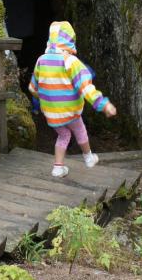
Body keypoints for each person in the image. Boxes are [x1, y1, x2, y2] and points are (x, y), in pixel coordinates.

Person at [29, 21, 117, 178]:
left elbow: (33, 88)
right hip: (70, 111)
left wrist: (46, 101)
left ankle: (58, 167)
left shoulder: (41, 60)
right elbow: (86, 88)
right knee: (80, 130)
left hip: (52, 114)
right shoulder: (70, 61)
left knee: (63, 135)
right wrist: (103, 104)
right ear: (70, 39)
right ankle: (88, 157)